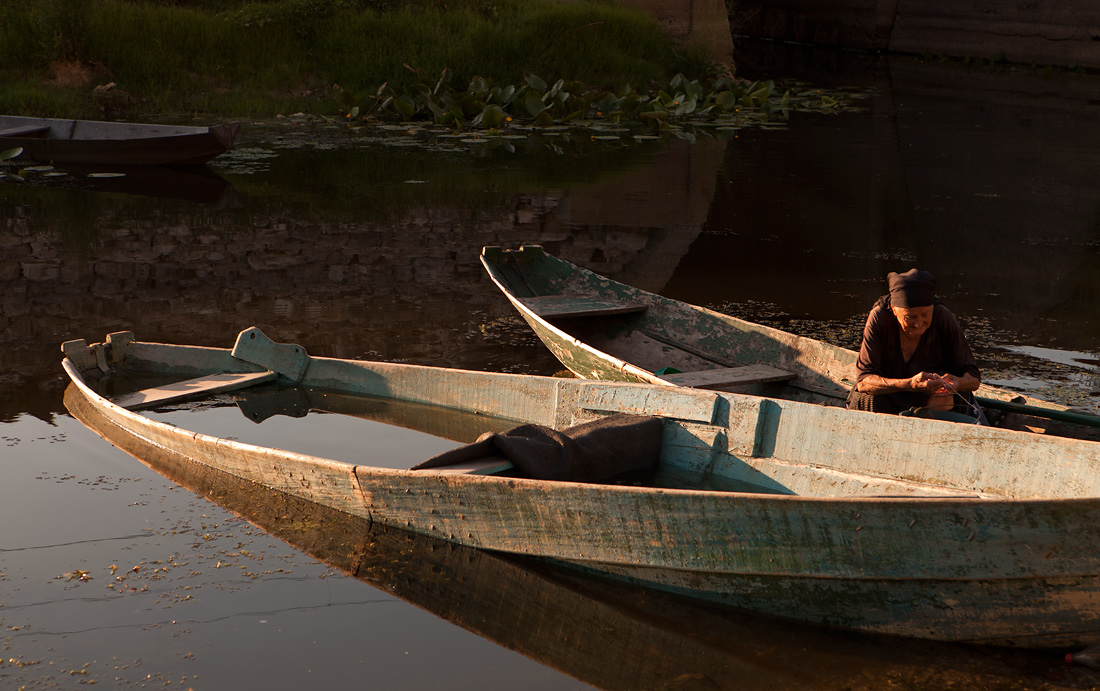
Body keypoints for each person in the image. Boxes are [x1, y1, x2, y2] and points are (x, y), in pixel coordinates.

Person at [846, 269, 985, 422]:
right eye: (910, 317)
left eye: (925, 314)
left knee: (944, 397)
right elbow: (864, 382)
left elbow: (973, 378)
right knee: (870, 397)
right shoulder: (880, 318)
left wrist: (957, 383)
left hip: (926, 399)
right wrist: (910, 383)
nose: (918, 323)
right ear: (894, 310)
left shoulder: (942, 316)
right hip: (887, 395)